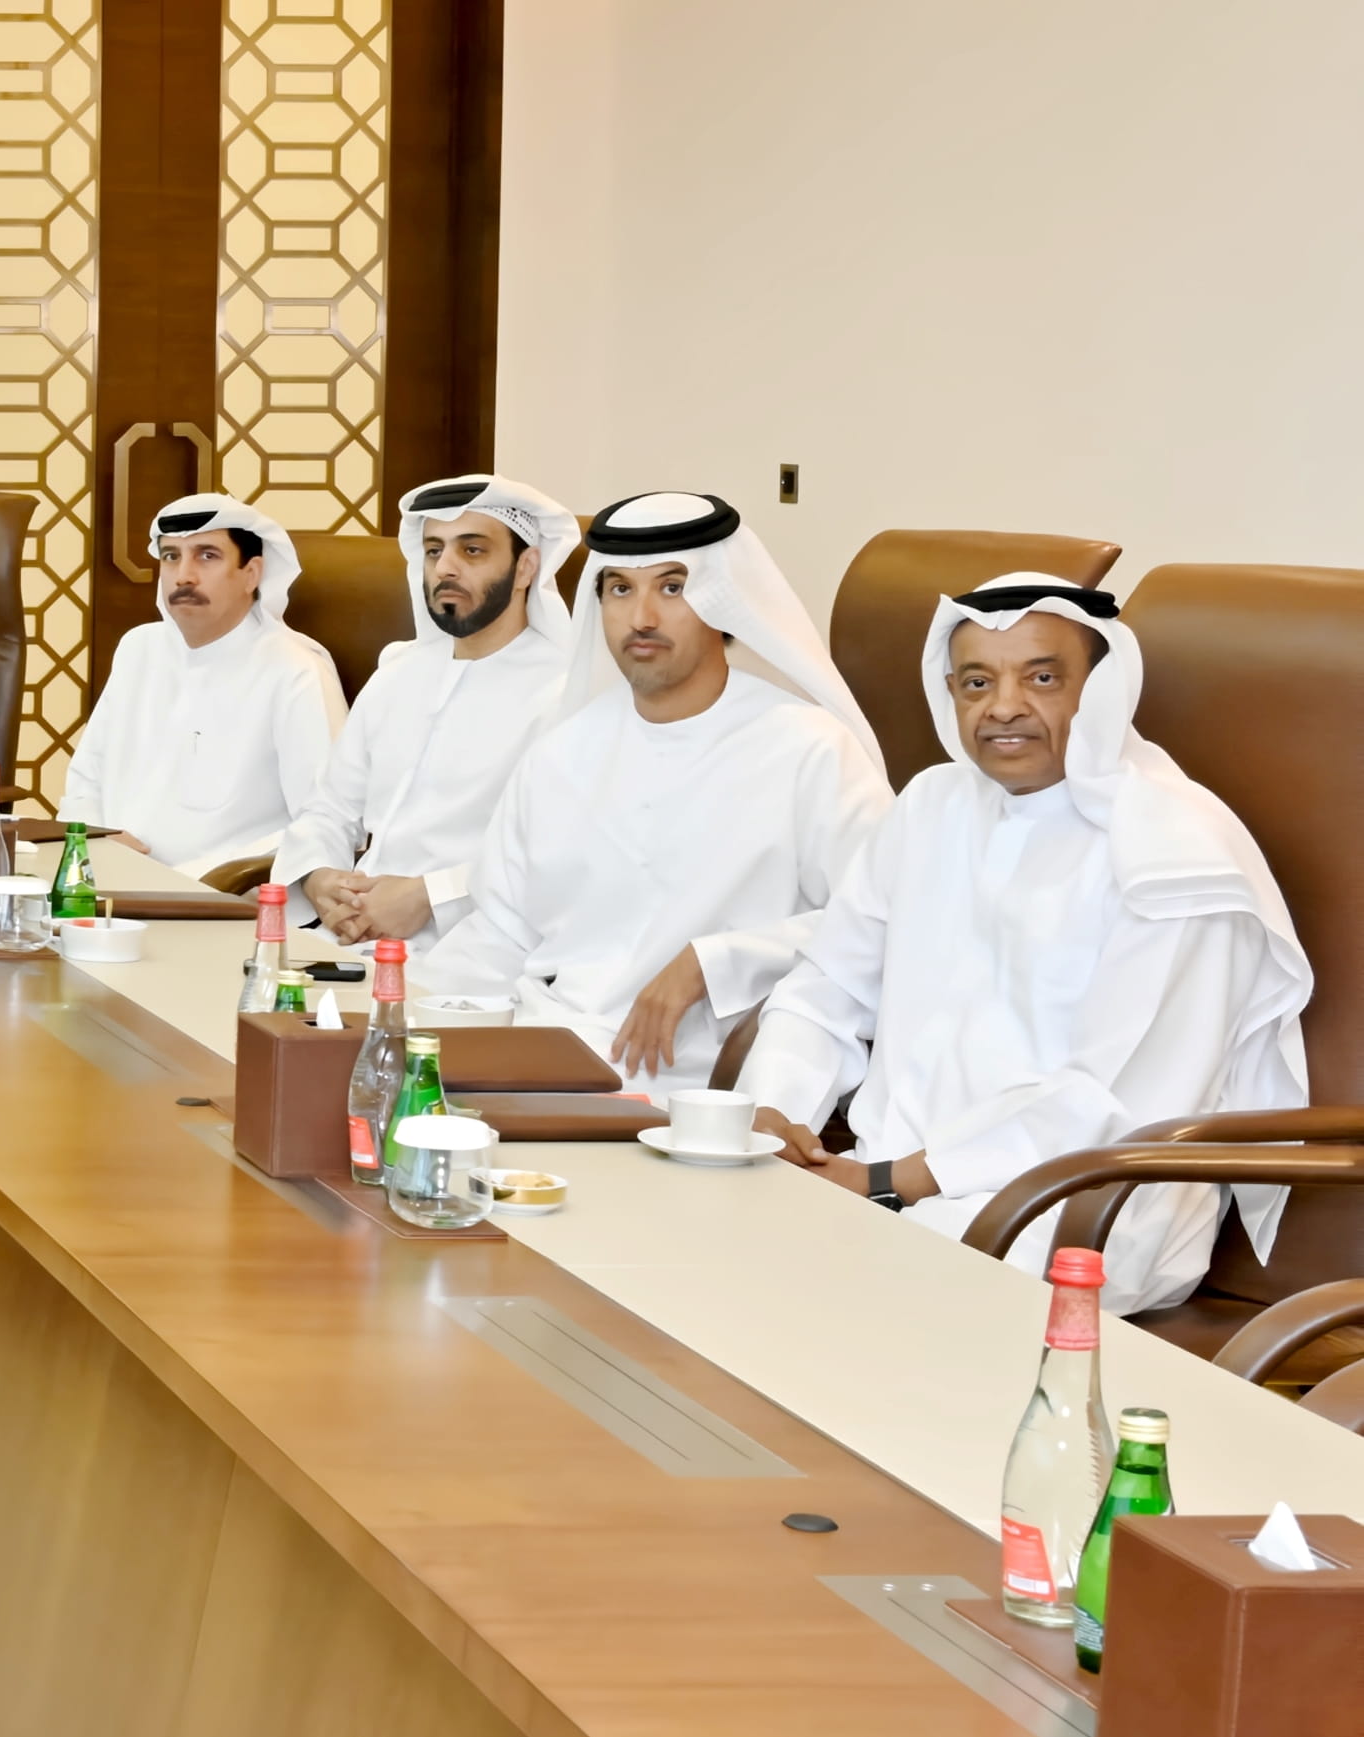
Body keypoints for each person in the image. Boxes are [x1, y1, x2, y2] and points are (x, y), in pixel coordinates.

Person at [688, 578, 1309, 1312]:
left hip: (1082, 1206)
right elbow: (826, 989)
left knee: (811, 1285)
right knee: (700, 1236)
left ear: (1099, 690)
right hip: (884, 1182)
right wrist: (773, 1118)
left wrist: (888, 1182)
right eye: (977, 682)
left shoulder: (1175, 854)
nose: (1003, 706)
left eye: (1040, 678)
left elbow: (1111, 1101)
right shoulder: (931, 806)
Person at [413, 493, 889, 1079]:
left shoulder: (810, 748)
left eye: (672, 588)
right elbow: (501, 929)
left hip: (696, 1082)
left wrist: (712, 963)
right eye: (620, 589)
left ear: (721, 602)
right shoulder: (563, 750)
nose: (641, 617)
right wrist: (403, 1018)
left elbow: (879, 924)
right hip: (541, 1052)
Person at [280, 474, 579, 948]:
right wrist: (319, 878)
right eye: (434, 550)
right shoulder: (398, 674)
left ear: (526, 568)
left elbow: (559, 853)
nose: (445, 568)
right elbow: (330, 808)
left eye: (472, 550)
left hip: (478, 950)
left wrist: (430, 896)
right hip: (348, 936)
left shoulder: (566, 693)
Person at [59, 494, 342, 879]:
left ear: (252, 574)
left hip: (226, 897)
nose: (183, 576)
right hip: (107, 881)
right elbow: (86, 779)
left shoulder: (295, 670)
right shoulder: (138, 648)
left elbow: (325, 820)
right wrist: (95, 842)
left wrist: (192, 879)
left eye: (207, 556)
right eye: (171, 556)